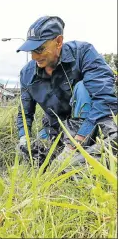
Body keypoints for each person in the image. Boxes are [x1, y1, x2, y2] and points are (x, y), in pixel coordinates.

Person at [15, 16, 118, 167]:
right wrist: (24, 138)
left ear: (58, 42)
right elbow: (24, 113)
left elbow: (104, 100)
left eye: (40, 49)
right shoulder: (27, 74)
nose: (34, 56)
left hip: (90, 124)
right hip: (55, 128)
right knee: (38, 154)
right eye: (31, 51)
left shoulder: (83, 53)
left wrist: (74, 145)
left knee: (82, 87)